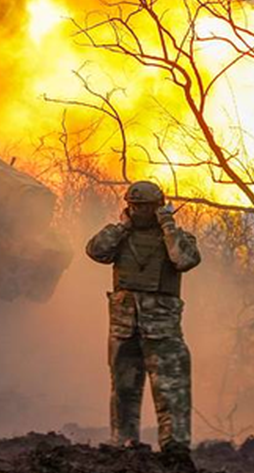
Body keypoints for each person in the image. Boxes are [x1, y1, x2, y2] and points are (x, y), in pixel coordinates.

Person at [86, 180, 200, 457]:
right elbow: (95, 251)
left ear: (157, 208)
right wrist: (122, 226)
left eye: (144, 207)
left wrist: (167, 226)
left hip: (162, 330)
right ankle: (123, 442)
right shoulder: (119, 236)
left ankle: (175, 448)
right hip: (124, 327)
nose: (137, 211)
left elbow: (184, 260)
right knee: (124, 388)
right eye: (133, 206)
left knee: (171, 391)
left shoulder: (177, 238)